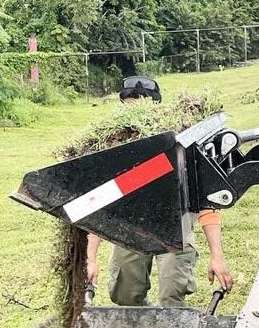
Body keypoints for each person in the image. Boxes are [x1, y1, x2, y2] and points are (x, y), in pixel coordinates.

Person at [85, 76, 234, 305]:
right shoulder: (116, 151)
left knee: (172, 295)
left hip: (173, 228)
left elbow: (206, 205)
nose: (133, 118)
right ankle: (144, 327)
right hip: (131, 227)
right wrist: (90, 258)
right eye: (128, 110)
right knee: (124, 295)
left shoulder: (179, 149)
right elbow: (100, 205)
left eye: (140, 109)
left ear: (156, 111)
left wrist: (218, 256)